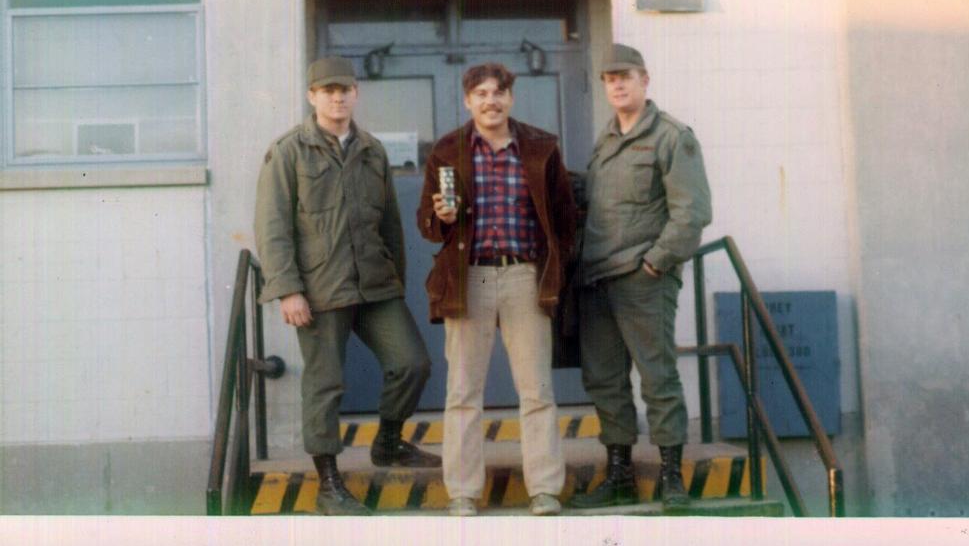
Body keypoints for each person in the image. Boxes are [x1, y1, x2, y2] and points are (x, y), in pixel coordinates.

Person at [254, 56, 441, 517]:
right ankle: (329, 483)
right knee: (326, 384)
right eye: (327, 90)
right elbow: (272, 225)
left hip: (375, 285)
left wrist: (394, 278)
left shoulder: (372, 150)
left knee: (412, 363)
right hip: (319, 288)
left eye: (345, 89)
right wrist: (287, 289)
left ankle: (389, 442)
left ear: (356, 94)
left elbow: (391, 224)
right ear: (312, 96)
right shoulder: (289, 151)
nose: (337, 97)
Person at [417, 63, 576, 517]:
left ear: (512, 98)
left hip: (524, 275)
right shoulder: (447, 150)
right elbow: (425, 226)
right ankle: (464, 492)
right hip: (473, 278)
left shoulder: (542, 146)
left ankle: (544, 488)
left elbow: (565, 218)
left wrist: (552, 269)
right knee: (464, 391)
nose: (491, 100)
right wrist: (440, 219)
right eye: (481, 93)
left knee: (537, 389)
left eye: (499, 92)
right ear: (468, 101)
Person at [569, 44, 712, 513]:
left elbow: (692, 213)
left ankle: (672, 477)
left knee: (658, 379)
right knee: (605, 381)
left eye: (625, 76)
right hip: (597, 280)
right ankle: (620, 476)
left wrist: (655, 263)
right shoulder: (606, 141)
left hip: (641, 278)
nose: (617, 84)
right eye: (609, 78)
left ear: (645, 79)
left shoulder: (671, 136)